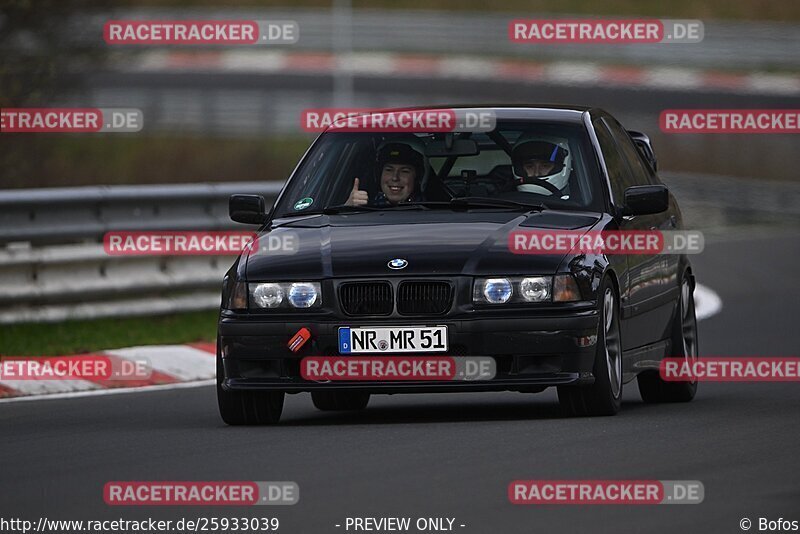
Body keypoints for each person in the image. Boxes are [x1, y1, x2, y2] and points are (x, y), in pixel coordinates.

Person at [345, 142, 425, 206]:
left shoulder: (432, 213)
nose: (395, 178)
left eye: (404, 171)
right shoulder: (366, 207)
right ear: (379, 174)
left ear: (417, 177)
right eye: (389, 170)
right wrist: (348, 209)